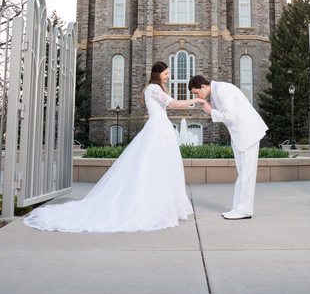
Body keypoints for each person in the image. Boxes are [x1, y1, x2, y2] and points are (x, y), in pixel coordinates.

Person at [24, 61, 203, 233]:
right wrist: (196, 100)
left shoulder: (155, 88)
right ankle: (152, 206)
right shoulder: (153, 88)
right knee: (153, 167)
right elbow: (175, 104)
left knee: (160, 167)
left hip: (161, 129)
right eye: (166, 74)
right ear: (157, 74)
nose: (169, 77)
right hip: (157, 130)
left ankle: (161, 204)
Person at [188, 75, 268, 220]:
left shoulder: (222, 90)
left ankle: (243, 210)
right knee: (243, 173)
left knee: (246, 174)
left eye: (196, 92)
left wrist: (211, 111)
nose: (196, 96)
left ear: (203, 86)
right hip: (240, 135)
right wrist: (211, 109)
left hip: (247, 133)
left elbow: (230, 116)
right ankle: (239, 208)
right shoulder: (216, 91)